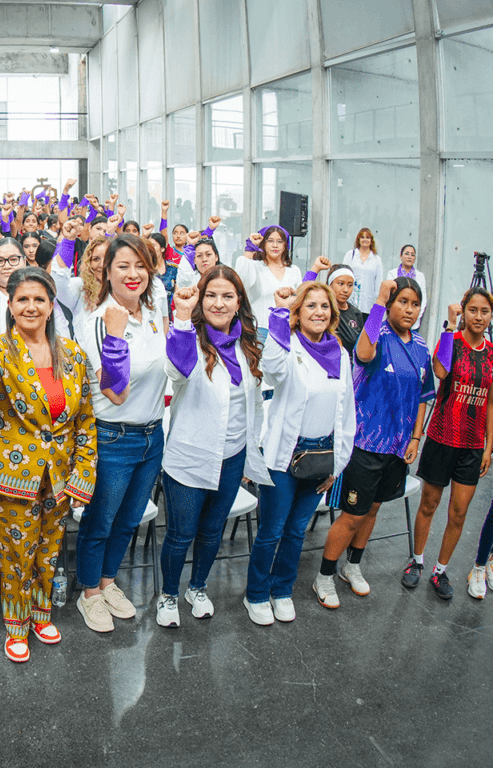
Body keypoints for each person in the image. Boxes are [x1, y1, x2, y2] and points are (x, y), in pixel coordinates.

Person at [0, 267, 97, 663]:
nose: (31, 306)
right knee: (17, 554)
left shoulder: (72, 354)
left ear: (52, 306)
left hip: (60, 477)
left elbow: (85, 419)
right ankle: (16, 624)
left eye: (39, 299)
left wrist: (83, 473)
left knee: (49, 550)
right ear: (11, 306)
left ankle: (40, 614)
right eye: (22, 299)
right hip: (13, 476)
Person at [157, 266, 271, 627]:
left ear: (239, 302)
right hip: (190, 456)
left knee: (212, 531)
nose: (218, 303)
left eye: (227, 296)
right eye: (211, 295)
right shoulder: (188, 339)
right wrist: (180, 318)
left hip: (233, 455)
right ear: (200, 299)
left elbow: (255, 403)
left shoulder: (249, 346)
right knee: (180, 534)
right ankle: (169, 595)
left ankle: (198, 587)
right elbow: (175, 373)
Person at [313, 278, 434, 608]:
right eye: (402, 302)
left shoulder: (421, 346)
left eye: (414, 303)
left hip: (397, 448)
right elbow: (363, 354)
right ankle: (323, 575)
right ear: (390, 305)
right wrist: (379, 300)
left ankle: (352, 566)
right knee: (353, 514)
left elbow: (424, 395)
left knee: (374, 510)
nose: (408, 309)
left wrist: (415, 437)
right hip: (366, 445)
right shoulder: (376, 334)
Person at [244, 281, 355, 625]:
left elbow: (347, 411)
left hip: (321, 456)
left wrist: (338, 463)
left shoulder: (340, 352)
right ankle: (257, 594)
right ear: (298, 313)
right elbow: (273, 371)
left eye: (324, 306)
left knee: (296, 531)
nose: (318, 312)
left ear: (332, 313)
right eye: (310, 306)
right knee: (272, 530)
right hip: (284, 455)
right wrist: (277, 314)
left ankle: (282, 590)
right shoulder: (287, 346)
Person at [75, 235, 167, 632]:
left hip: (152, 434)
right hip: (113, 437)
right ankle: (89, 593)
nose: (133, 274)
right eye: (123, 266)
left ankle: (108, 582)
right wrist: (114, 337)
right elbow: (114, 393)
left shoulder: (150, 313)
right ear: (106, 272)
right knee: (101, 520)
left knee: (129, 520)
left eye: (140, 266)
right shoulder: (97, 320)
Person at [405, 290, 493, 600]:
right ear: (464, 312)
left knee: (458, 513)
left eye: (484, 311)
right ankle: (416, 562)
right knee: (429, 505)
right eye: (472, 310)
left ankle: (440, 571)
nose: (478, 316)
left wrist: (488, 446)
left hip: (471, 446)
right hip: (442, 438)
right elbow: (440, 373)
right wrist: (450, 327)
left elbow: (491, 403)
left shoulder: (492, 352)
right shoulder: (452, 341)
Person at [236, 226, 303, 340]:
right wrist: (250, 248)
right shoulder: (254, 266)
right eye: (270, 241)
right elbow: (238, 283)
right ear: (264, 244)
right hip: (259, 330)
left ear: (285, 246)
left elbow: (301, 299)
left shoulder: (294, 270)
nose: (275, 245)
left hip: (287, 329)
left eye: (279, 241)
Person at [323, 263, 364, 356]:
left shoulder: (356, 313)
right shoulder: (324, 310)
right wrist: (315, 269)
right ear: (330, 284)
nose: (345, 290)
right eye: (341, 284)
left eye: (350, 285)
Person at [386, 244, 427, 329]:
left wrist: (415, 315)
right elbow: (388, 296)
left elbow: (423, 299)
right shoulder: (392, 274)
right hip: (395, 319)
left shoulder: (420, 276)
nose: (410, 257)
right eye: (407, 254)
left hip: (413, 322)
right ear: (401, 256)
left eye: (412, 255)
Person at [345, 227, 382, 309]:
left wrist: (377, 300)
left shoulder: (376, 259)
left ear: (371, 241)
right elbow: (343, 274)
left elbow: (378, 281)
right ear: (358, 240)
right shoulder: (351, 255)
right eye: (362, 237)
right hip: (351, 300)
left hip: (368, 303)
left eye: (367, 237)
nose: (365, 239)